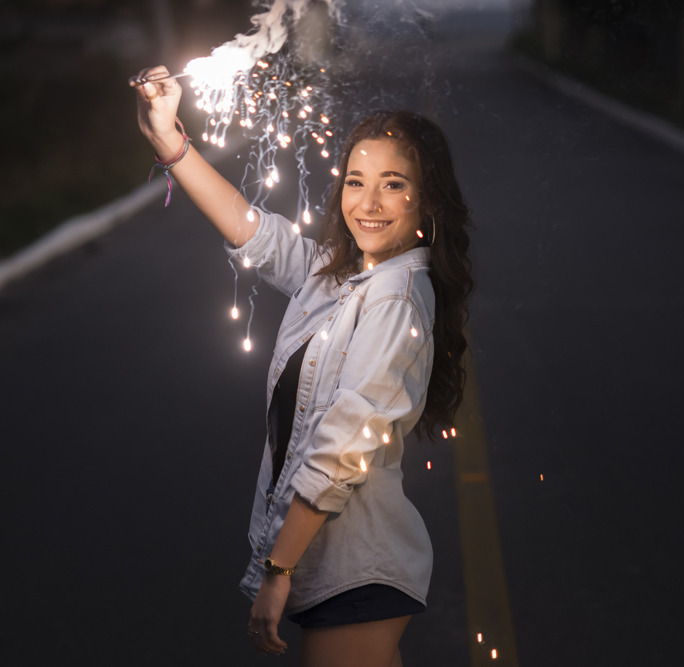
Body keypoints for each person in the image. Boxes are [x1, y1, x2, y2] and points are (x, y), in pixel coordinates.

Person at [132, 66, 473, 666]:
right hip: (340, 569)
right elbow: (254, 232)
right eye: (355, 181)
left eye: (393, 185)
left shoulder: (394, 297)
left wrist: (277, 570)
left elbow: (342, 447)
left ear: (428, 199)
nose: (367, 204)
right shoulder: (341, 280)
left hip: (357, 572)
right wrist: (170, 142)